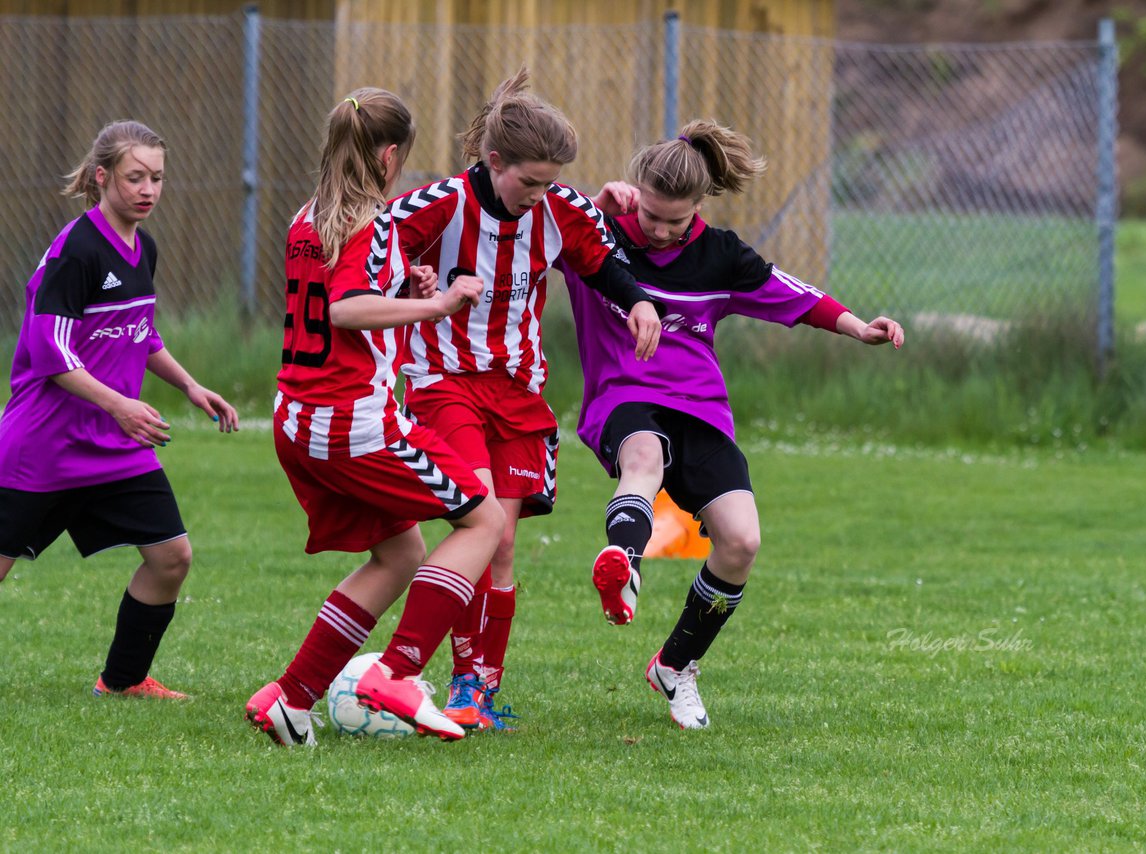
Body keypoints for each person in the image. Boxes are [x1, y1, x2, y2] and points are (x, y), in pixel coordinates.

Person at [568, 120, 905, 730]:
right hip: (625, 398)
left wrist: (859, 326)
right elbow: (550, 232)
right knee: (643, 458)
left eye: (675, 220)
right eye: (650, 215)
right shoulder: (600, 240)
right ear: (636, 193)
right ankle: (625, 560)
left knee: (741, 542)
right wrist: (595, 206)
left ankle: (675, 666)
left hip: (701, 408)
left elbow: (794, 296)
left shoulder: (721, 255)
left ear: (699, 206)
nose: (661, 230)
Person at [375, 68, 663, 731]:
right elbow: (369, 258)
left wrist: (639, 302)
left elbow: (603, 262)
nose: (540, 195)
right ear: (493, 160)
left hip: (517, 392)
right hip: (444, 385)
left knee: (501, 547)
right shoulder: (438, 204)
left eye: (550, 181)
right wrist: (408, 284)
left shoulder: (560, 207)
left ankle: (478, 691)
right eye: (529, 181)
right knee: (484, 526)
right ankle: (433, 680)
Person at [244, 88, 505, 747]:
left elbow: (344, 298)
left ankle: (291, 696)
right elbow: (345, 310)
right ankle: (396, 671)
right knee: (484, 519)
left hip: (296, 420)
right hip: (352, 423)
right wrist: (438, 304)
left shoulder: (308, 217)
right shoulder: (372, 221)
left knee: (400, 552)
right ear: (390, 156)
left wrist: (399, 288)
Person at [0, 120, 239, 699]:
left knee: (171, 558)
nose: (148, 189)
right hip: (43, 445)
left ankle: (123, 680)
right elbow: (48, 349)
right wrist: (119, 407)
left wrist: (189, 386)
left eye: (157, 178)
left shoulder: (143, 246)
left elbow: (139, 333)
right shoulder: (76, 251)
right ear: (102, 176)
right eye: (135, 177)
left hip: (112, 446)